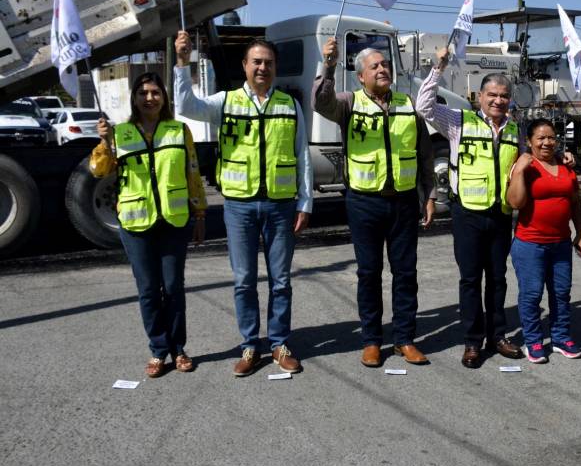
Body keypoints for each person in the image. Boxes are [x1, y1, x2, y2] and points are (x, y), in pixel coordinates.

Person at [175, 31, 311, 377]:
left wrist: (305, 202)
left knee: (281, 281)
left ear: (275, 68)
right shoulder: (227, 102)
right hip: (239, 207)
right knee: (244, 280)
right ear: (245, 66)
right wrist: (181, 63)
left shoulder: (289, 105)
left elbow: (302, 156)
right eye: (256, 62)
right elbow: (187, 107)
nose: (262, 68)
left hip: (280, 206)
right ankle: (250, 346)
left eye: (268, 62)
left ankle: (279, 343)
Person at [314, 37, 436, 368]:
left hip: (404, 202)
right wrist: (327, 65)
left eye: (385, 64)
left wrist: (430, 194)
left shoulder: (408, 105)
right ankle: (371, 340)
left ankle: (405, 339)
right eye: (375, 66)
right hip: (364, 203)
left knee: (405, 272)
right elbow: (320, 102)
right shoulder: (348, 103)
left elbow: (424, 153)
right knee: (369, 273)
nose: (383, 69)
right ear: (361, 76)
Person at [91, 72, 206, 377]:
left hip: (174, 220)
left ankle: (178, 349)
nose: (149, 98)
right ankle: (158, 351)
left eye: (155, 92)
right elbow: (99, 170)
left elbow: (192, 173)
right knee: (148, 290)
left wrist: (200, 213)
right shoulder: (121, 133)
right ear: (134, 98)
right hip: (135, 222)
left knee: (173, 287)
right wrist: (104, 142)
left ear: (164, 98)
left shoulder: (179, 131)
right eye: (143, 93)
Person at [415, 47, 524, 368]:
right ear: (479, 96)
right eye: (492, 95)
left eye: (504, 96)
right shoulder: (458, 121)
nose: (498, 101)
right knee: (470, 280)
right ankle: (473, 342)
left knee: (499, 279)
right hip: (468, 216)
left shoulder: (515, 130)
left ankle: (498, 336)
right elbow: (423, 106)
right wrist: (439, 67)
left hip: (501, 215)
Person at [507, 118, 581, 364]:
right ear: (529, 142)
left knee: (561, 293)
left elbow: (574, 203)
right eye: (540, 138)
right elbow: (515, 203)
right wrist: (519, 169)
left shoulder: (566, 167)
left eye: (551, 137)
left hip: (561, 243)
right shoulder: (525, 166)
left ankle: (561, 338)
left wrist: (580, 233)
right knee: (531, 295)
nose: (546, 142)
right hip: (530, 244)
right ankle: (533, 341)